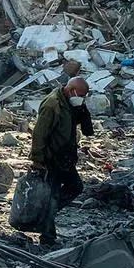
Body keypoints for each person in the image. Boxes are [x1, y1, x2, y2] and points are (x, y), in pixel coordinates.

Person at [28, 76, 93, 246]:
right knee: (53, 196)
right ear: (71, 90)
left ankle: (45, 215)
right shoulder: (53, 104)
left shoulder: (71, 103)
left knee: (74, 188)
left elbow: (88, 131)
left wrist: (83, 110)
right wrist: (37, 159)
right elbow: (39, 134)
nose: (82, 99)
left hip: (65, 158)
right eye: (80, 95)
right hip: (52, 159)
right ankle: (47, 237)